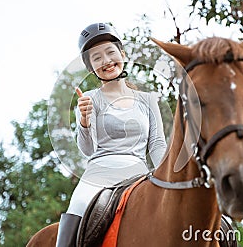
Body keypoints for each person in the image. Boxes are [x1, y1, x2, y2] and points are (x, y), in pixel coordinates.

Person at [56, 23, 167, 247]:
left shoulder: (148, 100)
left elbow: (156, 144)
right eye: (96, 58)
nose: (106, 61)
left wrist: (166, 179)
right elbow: (87, 150)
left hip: (139, 174)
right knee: (77, 206)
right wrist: (84, 122)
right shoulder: (89, 98)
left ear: (122, 54)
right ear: (91, 68)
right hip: (98, 176)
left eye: (110, 52)